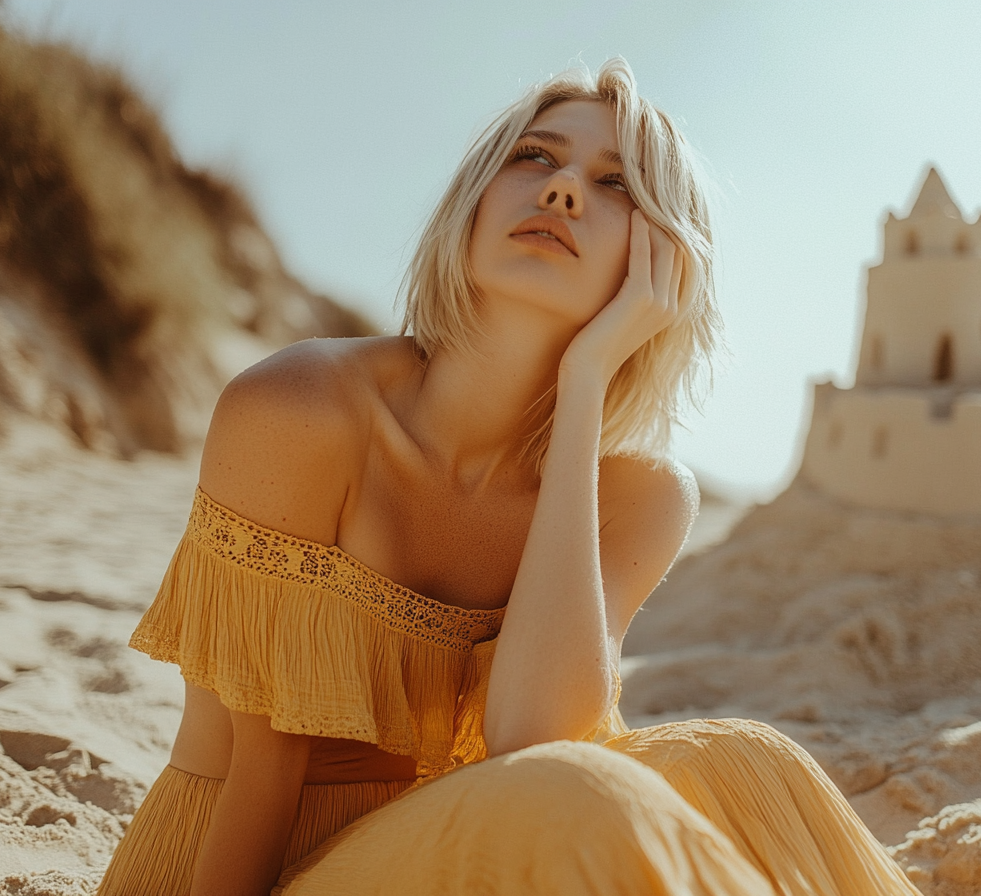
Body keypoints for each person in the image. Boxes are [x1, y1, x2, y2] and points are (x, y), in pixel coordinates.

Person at [96, 59, 922, 896]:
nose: (563, 189)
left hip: (479, 838)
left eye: (614, 183)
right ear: (473, 201)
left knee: (752, 763)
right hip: (253, 868)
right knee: (575, 791)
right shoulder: (300, 408)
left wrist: (588, 380)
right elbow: (261, 776)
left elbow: (534, 728)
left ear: (659, 263)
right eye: (535, 156)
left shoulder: (640, 497)